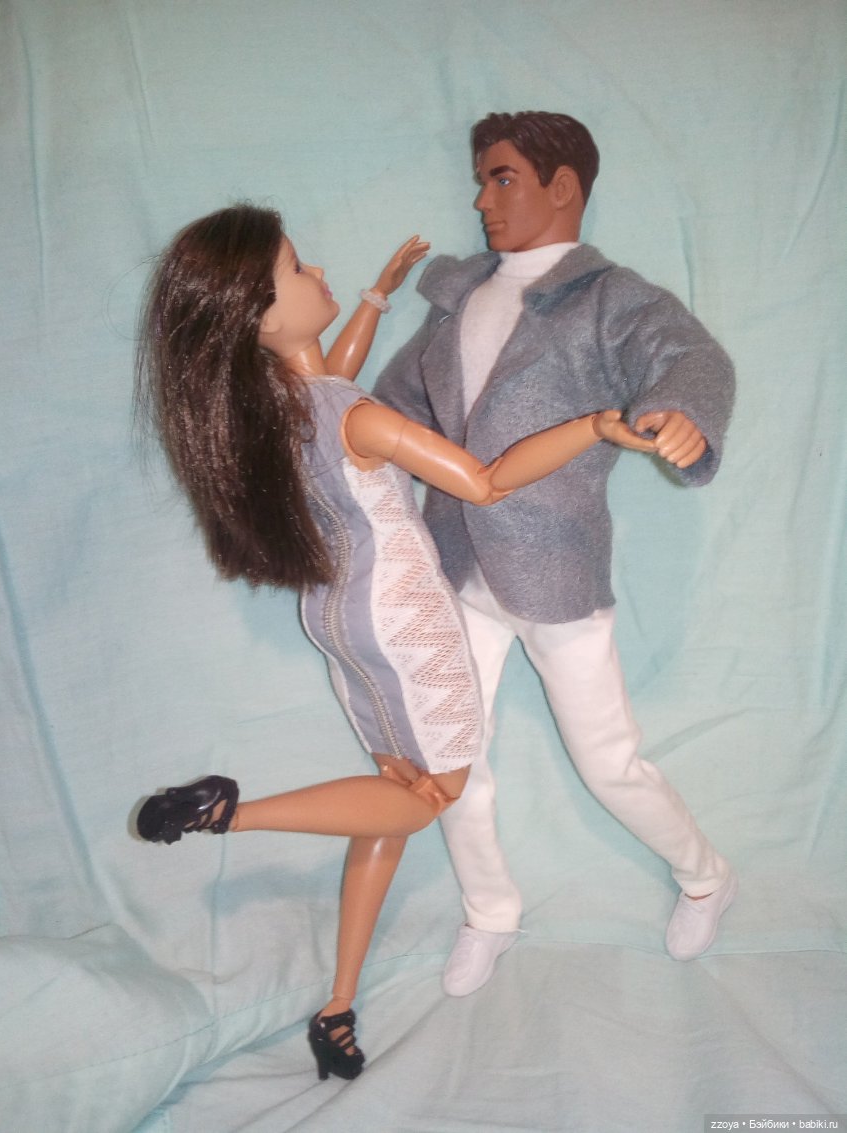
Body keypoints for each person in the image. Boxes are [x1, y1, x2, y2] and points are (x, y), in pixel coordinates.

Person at [132, 203, 655, 1080]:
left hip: (338, 621)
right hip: (404, 622)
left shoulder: (276, 410)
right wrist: (595, 425)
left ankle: (336, 1003)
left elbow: (335, 377)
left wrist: (375, 294)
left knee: (392, 797)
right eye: (298, 270)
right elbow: (484, 481)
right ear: (261, 316)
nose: (317, 273)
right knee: (427, 798)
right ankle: (229, 811)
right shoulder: (353, 415)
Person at [374, 111, 738, 998]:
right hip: (457, 563)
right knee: (452, 754)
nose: (481, 199)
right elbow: (397, 406)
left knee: (607, 757)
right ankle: (490, 910)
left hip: (555, 567)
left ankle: (705, 874)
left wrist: (680, 411)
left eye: (501, 178)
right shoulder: (457, 299)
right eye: (481, 180)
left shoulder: (609, 299)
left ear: (562, 186)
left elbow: (690, 357)